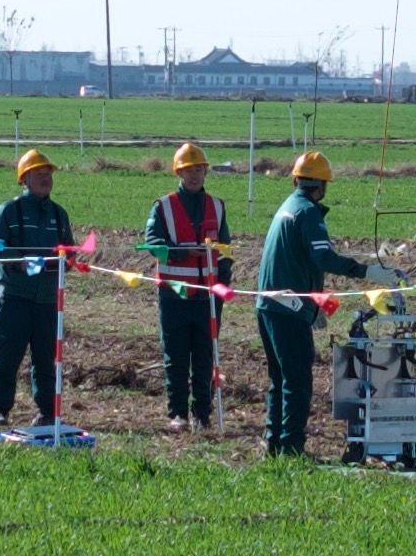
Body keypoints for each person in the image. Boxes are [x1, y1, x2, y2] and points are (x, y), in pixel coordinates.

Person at [253, 149, 379, 456]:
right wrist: (365, 271)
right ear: (321, 186)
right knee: (297, 380)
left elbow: (298, 260)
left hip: (269, 305)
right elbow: (322, 257)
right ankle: (292, 447)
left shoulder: (287, 206)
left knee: (279, 378)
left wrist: (315, 307)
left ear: (296, 179)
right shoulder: (308, 212)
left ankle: (274, 444)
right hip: (288, 309)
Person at [0, 149, 78, 432]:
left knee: (47, 358)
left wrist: (69, 259)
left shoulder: (59, 215)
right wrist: (18, 259)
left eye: (48, 174)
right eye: (39, 174)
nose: (45, 178)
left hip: (48, 299)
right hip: (15, 297)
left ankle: (47, 412)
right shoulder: (8, 211)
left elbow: (68, 248)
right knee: (7, 355)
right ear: (24, 179)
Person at [142, 143, 232, 432]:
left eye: (198, 169)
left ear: (205, 171)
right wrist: (181, 252)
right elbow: (152, 244)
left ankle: (203, 414)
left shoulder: (217, 206)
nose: (193, 175)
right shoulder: (163, 206)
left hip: (207, 296)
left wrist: (224, 283)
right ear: (178, 173)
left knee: (205, 356)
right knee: (176, 355)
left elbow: (225, 250)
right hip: (174, 295)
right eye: (187, 170)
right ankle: (178, 413)